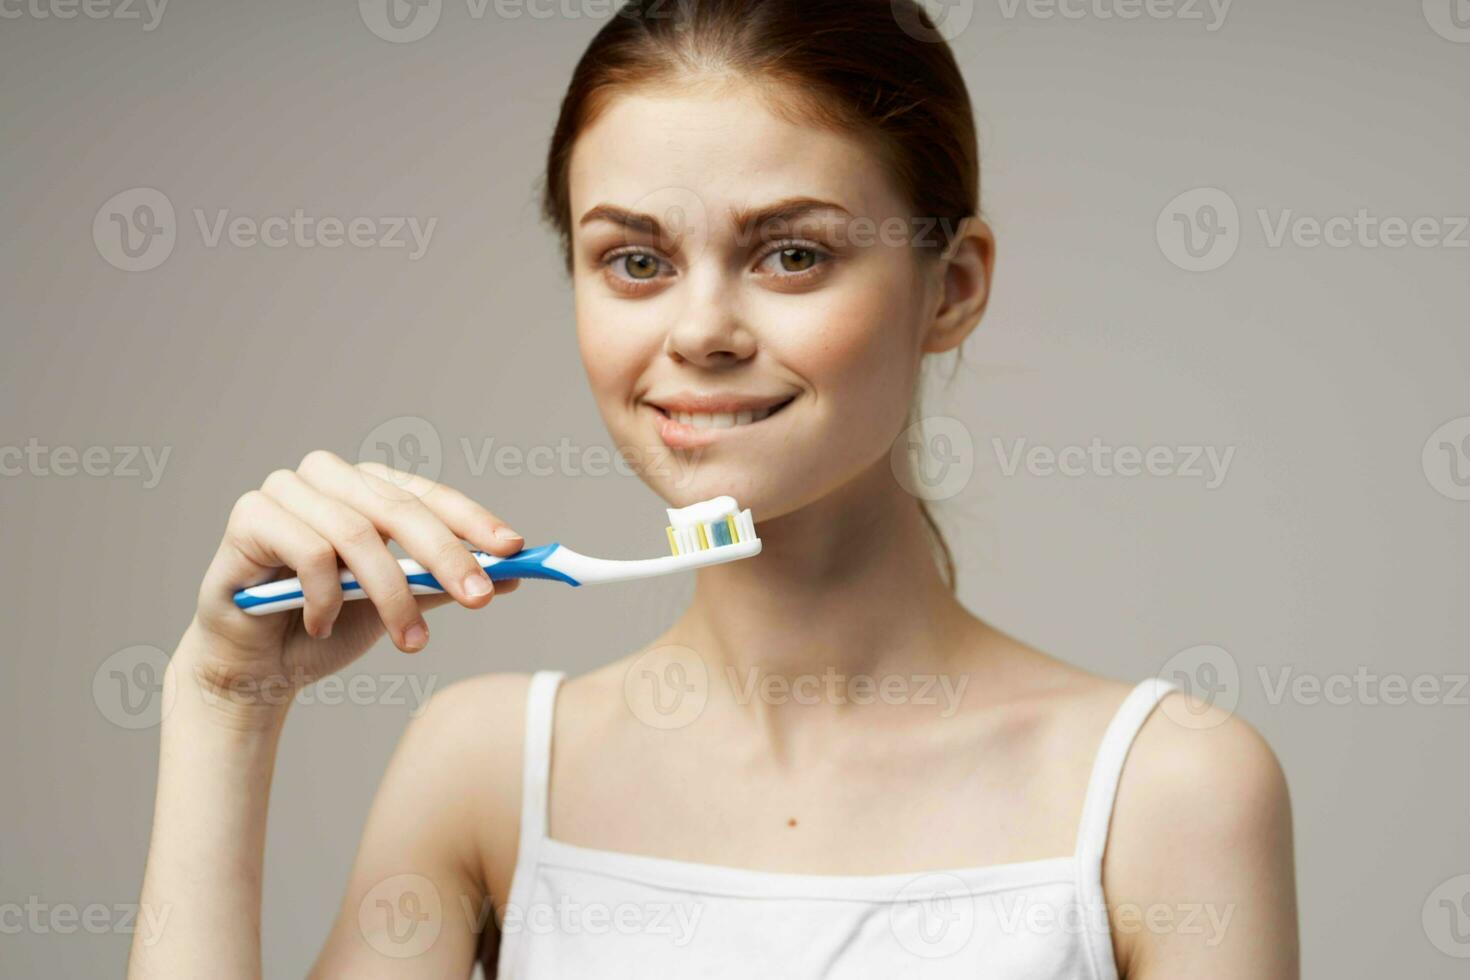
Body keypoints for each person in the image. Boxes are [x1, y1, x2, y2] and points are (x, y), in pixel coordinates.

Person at [129, 1, 1298, 976]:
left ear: (952, 286)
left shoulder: (1168, 788)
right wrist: (225, 699)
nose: (700, 331)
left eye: (793, 252)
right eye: (635, 261)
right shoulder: (484, 768)